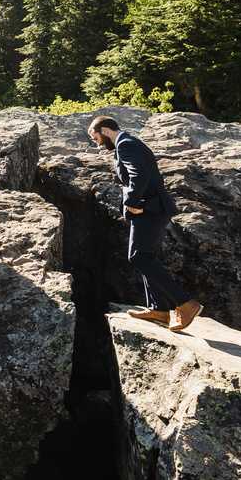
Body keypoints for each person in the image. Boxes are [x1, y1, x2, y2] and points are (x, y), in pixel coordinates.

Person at [87, 115, 202, 331]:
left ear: (104, 130)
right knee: (145, 257)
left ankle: (185, 303)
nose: (97, 143)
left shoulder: (126, 144)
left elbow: (138, 174)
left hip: (149, 210)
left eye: (95, 138)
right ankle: (158, 309)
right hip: (151, 209)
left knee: (139, 257)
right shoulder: (128, 142)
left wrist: (132, 202)